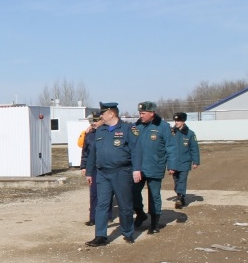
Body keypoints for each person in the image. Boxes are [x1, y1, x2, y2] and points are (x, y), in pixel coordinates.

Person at [85, 102, 141, 247]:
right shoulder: (100, 131)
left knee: (125, 205)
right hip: (103, 173)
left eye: (103, 113)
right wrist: (89, 172)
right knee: (101, 205)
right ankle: (100, 236)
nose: (101, 116)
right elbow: (93, 153)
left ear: (111, 113)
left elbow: (136, 150)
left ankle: (128, 232)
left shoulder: (128, 129)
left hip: (121, 172)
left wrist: (136, 169)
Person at [130, 101, 178, 234]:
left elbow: (171, 147)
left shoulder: (163, 127)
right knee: (133, 192)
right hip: (138, 168)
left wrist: (172, 166)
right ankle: (140, 213)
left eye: (143, 113)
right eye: (140, 113)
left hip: (155, 166)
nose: (141, 116)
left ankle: (154, 223)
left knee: (154, 195)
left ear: (152, 113)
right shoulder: (136, 126)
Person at [79, 112, 104, 226]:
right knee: (93, 192)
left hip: (105, 166)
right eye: (92, 121)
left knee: (106, 192)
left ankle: (106, 215)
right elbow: (85, 152)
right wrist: (84, 166)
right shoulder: (89, 135)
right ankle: (93, 217)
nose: (94, 123)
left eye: (96, 120)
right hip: (93, 167)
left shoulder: (108, 132)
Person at [171, 112, 201, 209]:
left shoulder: (190, 134)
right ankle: (181, 196)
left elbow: (194, 148)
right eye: (175, 121)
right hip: (174, 162)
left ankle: (180, 197)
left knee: (182, 180)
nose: (176, 123)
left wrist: (195, 161)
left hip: (185, 161)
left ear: (183, 121)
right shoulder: (172, 133)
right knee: (176, 181)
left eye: (178, 121)